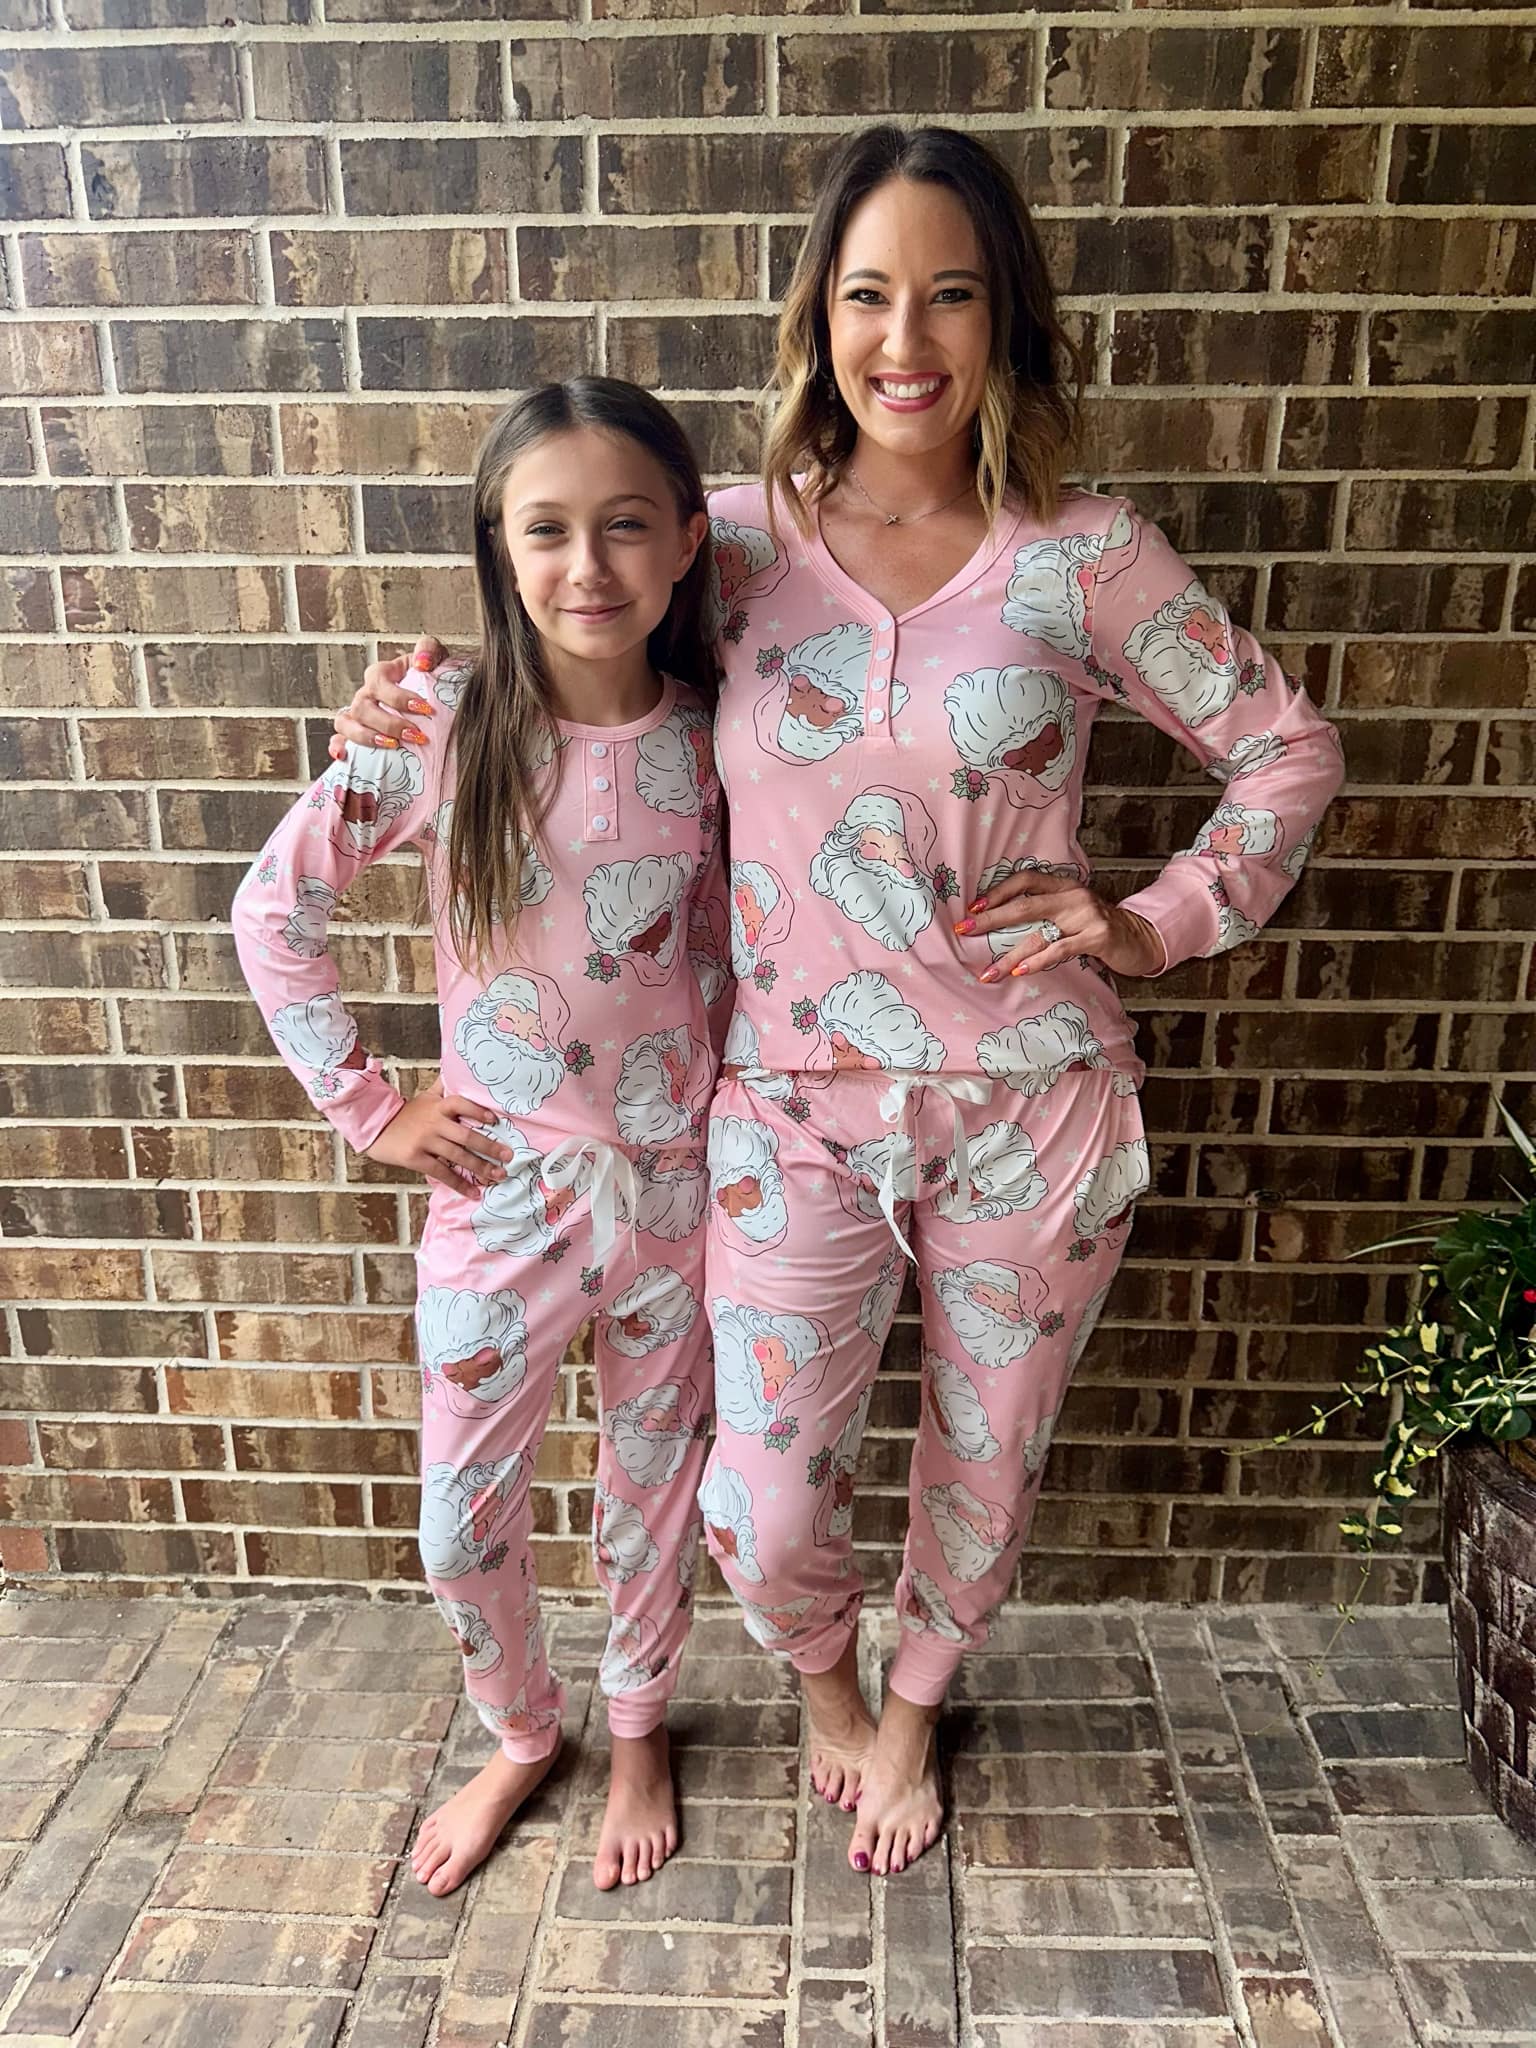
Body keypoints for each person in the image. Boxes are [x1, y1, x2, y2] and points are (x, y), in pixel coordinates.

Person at [325, 124, 1346, 1881]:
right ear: (819, 318)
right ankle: (824, 1677)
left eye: (952, 295)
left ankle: (918, 1700)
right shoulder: (735, 544)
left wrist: (1150, 923)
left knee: (986, 1449)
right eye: (869, 294)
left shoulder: (1087, 556)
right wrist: (412, 703)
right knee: (764, 1495)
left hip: (1034, 1099)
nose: (907, 340)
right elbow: (572, 617)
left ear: (1005, 319)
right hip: (788, 1105)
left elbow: (1285, 751)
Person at [235, 378, 730, 1896]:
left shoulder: (726, 736)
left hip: (678, 1192)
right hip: (501, 1197)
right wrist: (374, 1110)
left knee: (652, 1494)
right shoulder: (439, 731)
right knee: (460, 1529)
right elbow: (274, 912)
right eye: (548, 530)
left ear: (688, 541)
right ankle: (522, 1730)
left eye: (626, 526)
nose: (589, 565)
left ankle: (637, 1727)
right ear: (500, 552)